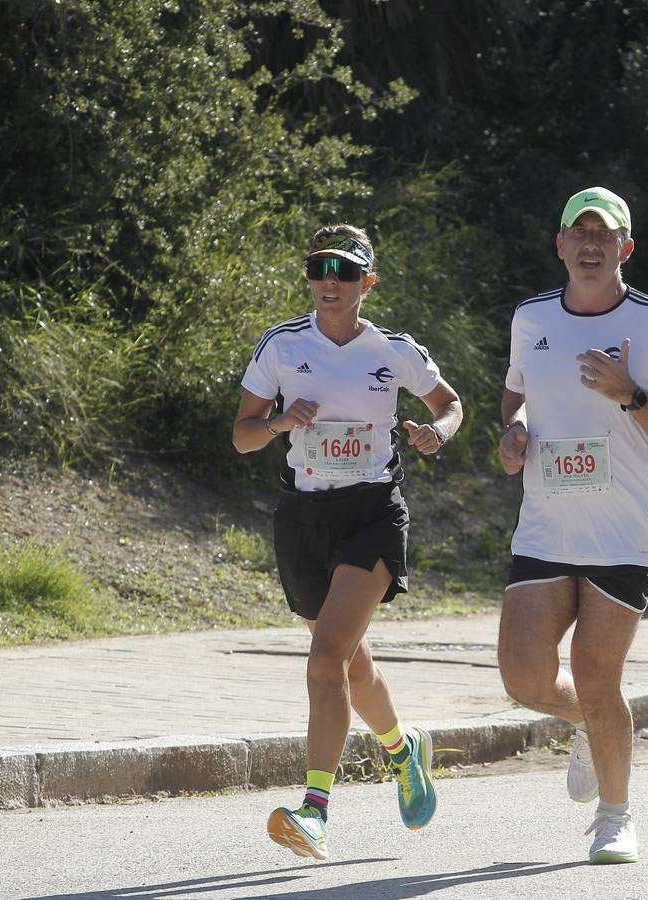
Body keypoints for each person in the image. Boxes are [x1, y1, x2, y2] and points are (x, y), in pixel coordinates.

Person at [232, 224, 463, 861]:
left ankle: (314, 810)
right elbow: (243, 436)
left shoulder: (393, 349)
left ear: (368, 282)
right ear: (308, 277)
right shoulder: (281, 346)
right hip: (303, 516)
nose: (329, 280)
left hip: (372, 514)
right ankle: (403, 747)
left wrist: (436, 432)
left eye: (344, 270)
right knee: (348, 662)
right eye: (318, 268)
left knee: (326, 659)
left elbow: (451, 404)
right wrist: (280, 420)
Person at [495, 187, 648, 864]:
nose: (590, 244)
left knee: (595, 671)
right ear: (559, 245)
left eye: (603, 234)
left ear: (625, 248)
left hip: (623, 529)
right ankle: (586, 720)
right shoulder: (531, 318)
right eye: (578, 232)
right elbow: (516, 400)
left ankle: (616, 818)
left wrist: (630, 394)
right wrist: (515, 435)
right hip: (547, 523)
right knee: (524, 678)